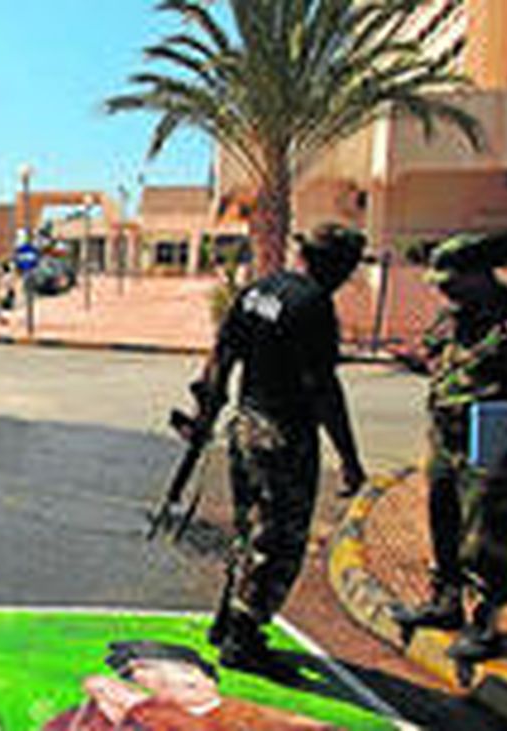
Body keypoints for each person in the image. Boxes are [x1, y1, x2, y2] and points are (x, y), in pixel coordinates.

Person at [190, 225, 369, 671]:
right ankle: (243, 639)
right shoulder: (313, 306)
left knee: (249, 529)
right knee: (278, 537)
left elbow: (221, 353)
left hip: (245, 425)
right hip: (284, 434)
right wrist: (348, 458)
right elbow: (323, 389)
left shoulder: (257, 291)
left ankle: (227, 619)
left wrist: (207, 414)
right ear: (340, 266)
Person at [388, 233, 507, 662]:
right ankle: (445, 603)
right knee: (444, 521)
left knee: (488, 536)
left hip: (493, 445)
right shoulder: (454, 316)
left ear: (481, 274)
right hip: (445, 440)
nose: (443, 288)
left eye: (452, 279)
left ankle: (486, 621)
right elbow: (432, 354)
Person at [41, 640, 334, 730]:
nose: (171, 678)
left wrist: (138, 709)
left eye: (184, 670)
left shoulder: (253, 716)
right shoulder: (107, 715)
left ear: (209, 678)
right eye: (148, 672)